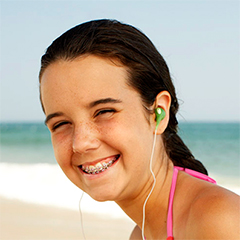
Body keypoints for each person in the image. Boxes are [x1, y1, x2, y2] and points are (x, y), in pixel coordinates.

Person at [39, 19, 240, 239]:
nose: (81, 142)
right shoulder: (140, 235)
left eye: (104, 111)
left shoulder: (219, 220)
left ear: (157, 113)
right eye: (60, 124)